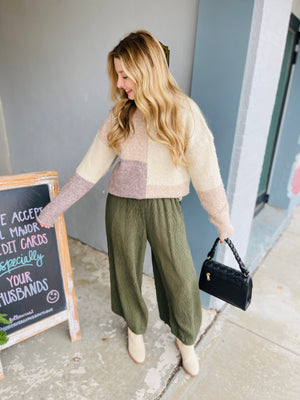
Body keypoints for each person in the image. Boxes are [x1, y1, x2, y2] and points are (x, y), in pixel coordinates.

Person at [37, 30, 234, 377]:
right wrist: (53, 211)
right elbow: (89, 169)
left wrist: (222, 220)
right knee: (125, 271)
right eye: (117, 73)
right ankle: (135, 327)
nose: (120, 82)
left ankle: (186, 338)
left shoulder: (184, 112)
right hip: (122, 206)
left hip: (164, 206)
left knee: (179, 275)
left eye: (126, 74)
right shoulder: (120, 114)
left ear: (148, 69)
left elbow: (207, 173)